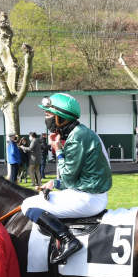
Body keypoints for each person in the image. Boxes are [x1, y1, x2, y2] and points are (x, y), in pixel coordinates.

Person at [19, 93, 112, 266]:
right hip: (90, 193)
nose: (45, 118)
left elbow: (68, 177)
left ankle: (68, 240)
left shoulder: (77, 137)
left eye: (48, 114)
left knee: (28, 205)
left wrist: (58, 150)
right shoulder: (83, 132)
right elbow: (76, 177)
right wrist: (54, 183)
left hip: (88, 199)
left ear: (60, 118)